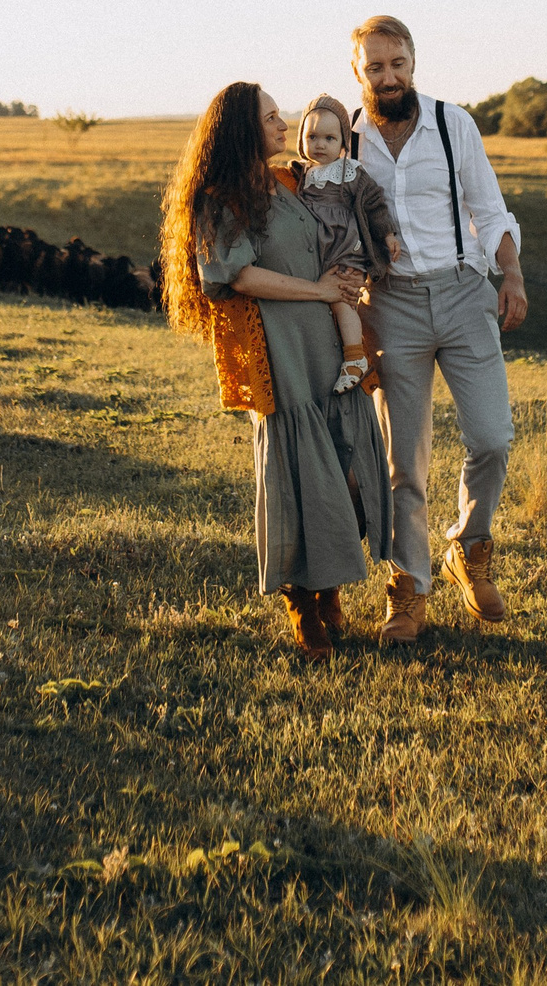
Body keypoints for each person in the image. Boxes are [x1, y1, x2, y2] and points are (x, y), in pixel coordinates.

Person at [159, 81, 394, 661]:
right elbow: (236, 276)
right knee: (301, 477)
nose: (283, 124)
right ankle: (303, 604)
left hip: (331, 347)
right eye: (270, 118)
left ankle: (330, 583)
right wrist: (317, 290)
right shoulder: (222, 199)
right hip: (283, 348)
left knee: (351, 468)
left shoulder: (290, 181)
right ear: (243, 128)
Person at [346, 15, 527, 643]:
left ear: (413, 62)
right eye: (375, 67)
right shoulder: (346, 141)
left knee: (492, 436)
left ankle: (469, 548)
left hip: (461, 293)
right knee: (405, 461)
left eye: (397, 64)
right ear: (357, 71)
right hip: (388, 305)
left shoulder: (454, 125)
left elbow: (489, 206)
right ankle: (408, 588)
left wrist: (511, 274)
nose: (388, 76)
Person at [294, 94, 402, 392]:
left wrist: (388, 234)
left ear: (343, 142)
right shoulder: (301, 174)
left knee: (343, 302)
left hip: (346, 253)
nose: (320, 144)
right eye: (312, 136)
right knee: (324, 306)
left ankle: (355, 357)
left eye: (330, 138)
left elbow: (374, 205)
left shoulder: (350, 172)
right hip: (318, 259)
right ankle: (332, 357)